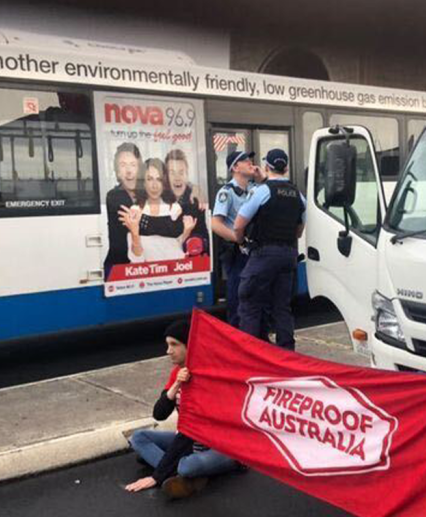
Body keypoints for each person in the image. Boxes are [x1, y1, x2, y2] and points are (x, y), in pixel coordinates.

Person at [125, 319, 239, 499]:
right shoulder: (178, 372)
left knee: (186, 466)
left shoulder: (208, 377)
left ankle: (184, 471)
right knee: (138, 438)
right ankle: (185, 477)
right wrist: (177, 384)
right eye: (167, 345)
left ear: (190, 346)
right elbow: (159, 414)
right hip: (191, 445)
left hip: (220, 447)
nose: (168, 351)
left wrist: (157, 476)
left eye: (174, 344)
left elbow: (190, 433)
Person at [233, 149, 306, 349]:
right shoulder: (298, 195)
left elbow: (238, 225)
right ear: (287, 168)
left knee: (249, 302)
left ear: (266, 167)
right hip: (289, 255)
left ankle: (251, 353)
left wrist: (241, 242)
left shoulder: (262, 191)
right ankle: (286, 352)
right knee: (281, 307)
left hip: (264, 254)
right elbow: (299, 231)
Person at [118, 158, 196, 263]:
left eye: (159, 179)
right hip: (147, 273)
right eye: (149, 179)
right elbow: (136, 258)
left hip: (174, 270)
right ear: (143, 183)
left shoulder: (175, 209)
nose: (154, 185)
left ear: (164, 183)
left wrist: (186, 232)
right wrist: (134, 233)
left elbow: (177, 247)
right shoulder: (135, 211)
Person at [211, 150, 256, 327]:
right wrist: (238, 239)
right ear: (235, 167)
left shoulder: (254, 189)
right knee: (237, 296)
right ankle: (237, 335)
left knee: (254, 295)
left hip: (253, 249)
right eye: (245, 161)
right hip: (237, 252)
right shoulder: (227, 192)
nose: (251, 162)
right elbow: (215, 224)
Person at [104, 143, 142, 273]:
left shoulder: (148, 194)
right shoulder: (114, 196)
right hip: (120, 266)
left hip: (145, 265)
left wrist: (195, 188)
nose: (129, 171)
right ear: (117, 171)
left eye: (133, 165)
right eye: (123, 165)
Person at [164, 149, 209, 257]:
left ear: (187, 174)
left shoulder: (195, 199)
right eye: (172, 172)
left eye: (181, 172)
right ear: (166, 175)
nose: (177, 177)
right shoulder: (159, 200)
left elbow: (204, 237)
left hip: (190, 264)